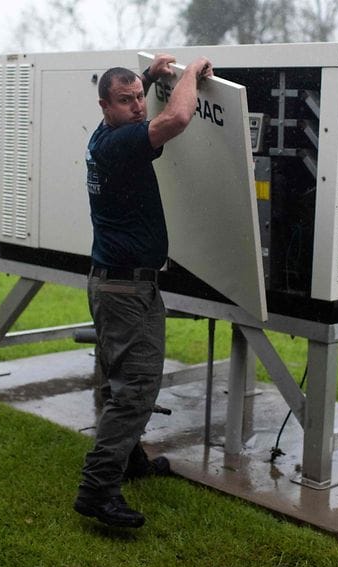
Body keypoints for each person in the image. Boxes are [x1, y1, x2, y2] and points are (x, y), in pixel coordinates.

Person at [74, 53, 213, 529]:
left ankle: (131, 463)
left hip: (114, 284)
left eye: (139, 97)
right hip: (127, 291)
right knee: (135, 390)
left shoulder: (102, 136)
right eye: (126, 100)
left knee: (120, 381)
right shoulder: (121, 144)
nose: (137, 106)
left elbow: (143, 104)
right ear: (104, 106)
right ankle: (97, 491)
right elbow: (175, 118)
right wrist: (192, 74)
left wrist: (150, 75)